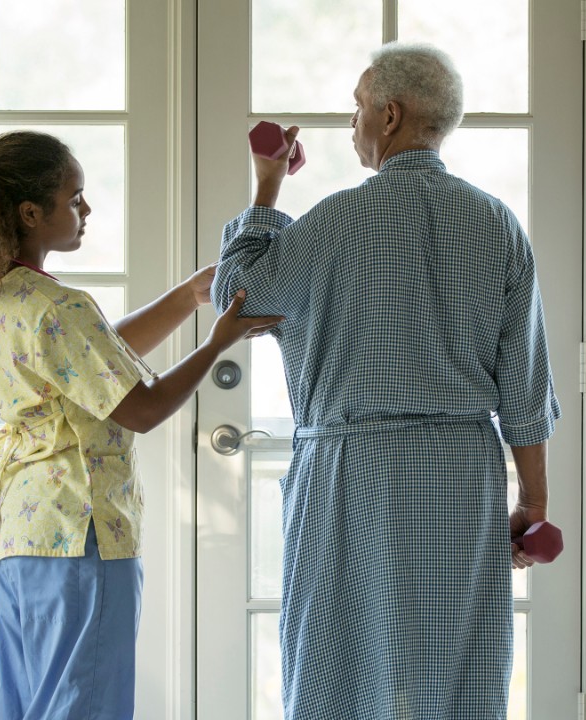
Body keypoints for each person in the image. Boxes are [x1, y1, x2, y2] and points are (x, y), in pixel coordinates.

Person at [212, 43, 561, 718]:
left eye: (357, 107)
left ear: (390, 115)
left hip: (349, 469)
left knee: (334, 661)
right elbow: (525, 388)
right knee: (455, 664)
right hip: (460, 473)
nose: (353, 124)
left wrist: (265, 188)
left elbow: (238, 301)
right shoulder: (497, 224)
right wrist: (534, 501)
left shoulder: (334, 221)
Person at [0, 130, 281, 720]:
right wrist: (216, 344)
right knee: (83, 706)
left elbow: (93, 361)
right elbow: (143, 407)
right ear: (30, 212)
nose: (86, 210)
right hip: (79, 529)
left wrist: (186, 297)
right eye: (75, 198)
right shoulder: (59, 306)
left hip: (16, 531)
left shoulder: (2, 294)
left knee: (28, 705)